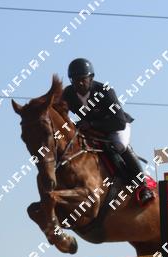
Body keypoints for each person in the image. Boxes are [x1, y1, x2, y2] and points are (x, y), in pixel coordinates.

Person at [62, 58, 154, 203]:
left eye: (82, 79)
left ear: (91, 78)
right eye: (75, 80)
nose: (79, 83)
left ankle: (143, 187)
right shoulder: (68, 94)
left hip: (115, 126)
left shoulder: (105, 92)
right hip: (89, 129)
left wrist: (91, 124)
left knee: (120, 145)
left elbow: (119, 122)